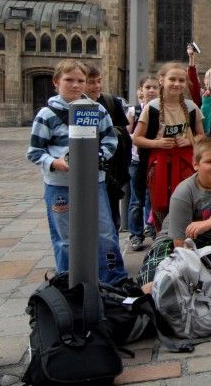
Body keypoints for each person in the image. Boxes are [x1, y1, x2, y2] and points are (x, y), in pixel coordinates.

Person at [27, 59, 127, 286]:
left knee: (105, 234)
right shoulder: (46, 114)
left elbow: (111, 139)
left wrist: (98, 157)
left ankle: (114, 278)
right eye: (69, 80)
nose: (75, 85)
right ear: (56, 82)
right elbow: (35, 151)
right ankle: (67, 280)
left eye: (80, 81)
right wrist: (55, 162)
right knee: (65, 238)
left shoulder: (97, 110)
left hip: (94, 181)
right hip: (60, 184)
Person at [137, 138, 211, 312]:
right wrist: (202, 281)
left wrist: (209, 223)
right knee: (151, 292)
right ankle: (199, 290)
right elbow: (180, 247)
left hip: (208, 232)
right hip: (173, 241)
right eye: (209, 162)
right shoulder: (183, 192)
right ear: (196, 164)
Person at [132, 62, 206, 231]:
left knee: (188, 201)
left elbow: (202, 135)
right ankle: (164, 238)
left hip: (185, 162)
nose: (177, 84)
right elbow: (137, 138)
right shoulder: (152, 108)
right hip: (160, 163)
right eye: (172, 79)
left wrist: (189, 141)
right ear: (162, 80)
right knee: (160, 204)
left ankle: (187, 237)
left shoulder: (191, 107)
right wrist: (157, 143)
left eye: (181, 80)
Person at [85, 64, 132, 230]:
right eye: (91, 82)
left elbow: (125, 136)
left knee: (111, 218)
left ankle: (110, 253)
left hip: (111, 170)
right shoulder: (74, 106)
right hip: (85, 172)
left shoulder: (111, 101)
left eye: (99, 81)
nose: (97, 86)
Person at [126, 75, 159, 250]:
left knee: (153, 197)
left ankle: (152, 228)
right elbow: (127, 134)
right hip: (137, 160)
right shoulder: (134, 111)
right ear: (141, 90)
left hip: (154, 160)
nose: (151, 90)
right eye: (148, 87)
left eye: (154, 87)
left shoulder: (161, 110)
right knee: (137, 199)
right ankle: (135, 234)